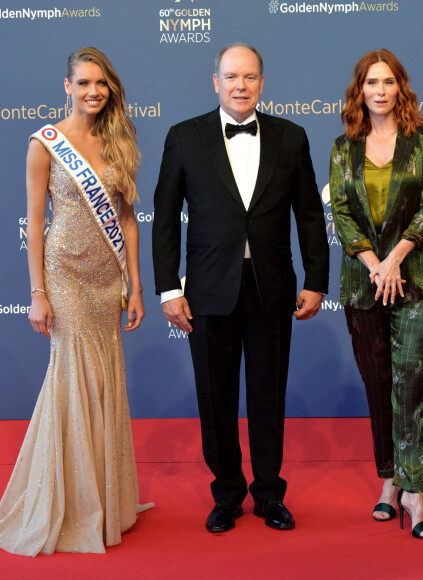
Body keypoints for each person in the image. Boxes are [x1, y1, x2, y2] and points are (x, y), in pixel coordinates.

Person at [152, 42, 329, 533]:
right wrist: (169, 289)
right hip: (207, 289)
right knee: (216, 397)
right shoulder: (184, 137)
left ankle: (269, 493)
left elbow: (310, 215)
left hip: (271, 286)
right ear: (215, 82)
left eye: (249, 77)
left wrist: (317, 280)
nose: (240, 86)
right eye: (231, 76)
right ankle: (227, 492)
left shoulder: (291, 137)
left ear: (262, 83)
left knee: (268, 396)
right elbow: (164, 219)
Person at [0, 48, 152, 556]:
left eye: (102, 84)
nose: (93, 91)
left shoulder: (117, 141)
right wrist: (37, 292)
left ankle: (105, 500)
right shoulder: (45, 143)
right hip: (64, 275)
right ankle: (68, 500)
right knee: (75, 376)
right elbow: (35, 224)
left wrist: (135, 282)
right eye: (84, 82)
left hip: (108, 279)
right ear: (67, 86)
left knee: (105, 377)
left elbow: (128, 221)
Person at [329, 49, 423, 540]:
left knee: (410, 383)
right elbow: (340, 210)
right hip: (364, 281)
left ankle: (414, 491)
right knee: (379, 386)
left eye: (388, 82)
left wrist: (395, 258)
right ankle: (388, 482)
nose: (380, 90)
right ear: (360, 90)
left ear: (401, 87)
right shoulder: (343, 146)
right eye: (371, 83)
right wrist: (376, 266)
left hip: (415, 276)